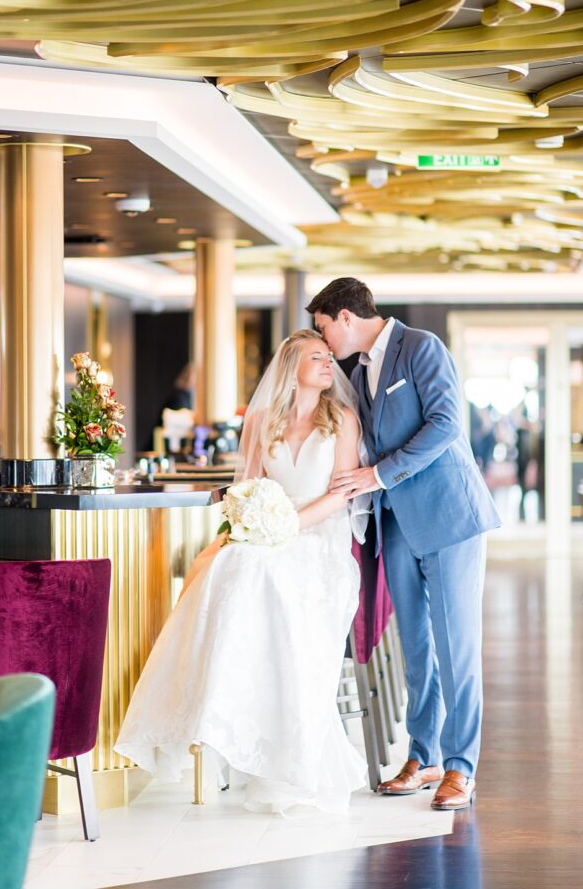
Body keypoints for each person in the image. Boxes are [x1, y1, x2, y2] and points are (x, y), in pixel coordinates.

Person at [115, 330, 367, 814]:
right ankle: (218, 719)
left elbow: (341, 495)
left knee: (264, 574)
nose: (328, 364)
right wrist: (249, 522)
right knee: (226, 564)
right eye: (317, 357)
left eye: (329, 357)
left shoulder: (343, 420)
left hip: (319, 534)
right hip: (270, 531)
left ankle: (281, 742)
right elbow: (248, 485)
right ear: (291, 366)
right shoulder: (261, 421)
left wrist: (287, 525)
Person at [307, 278, 501, 811]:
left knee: (455, 647)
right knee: (416, 649)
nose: (323, 340)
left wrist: (378, 475)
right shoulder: (360, 369)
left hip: (450, 518)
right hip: (397, 526)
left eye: (324, 327)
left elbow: (445, 425)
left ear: (345, 316)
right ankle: (424, 754)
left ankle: (462, 767)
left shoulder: (421, 347)